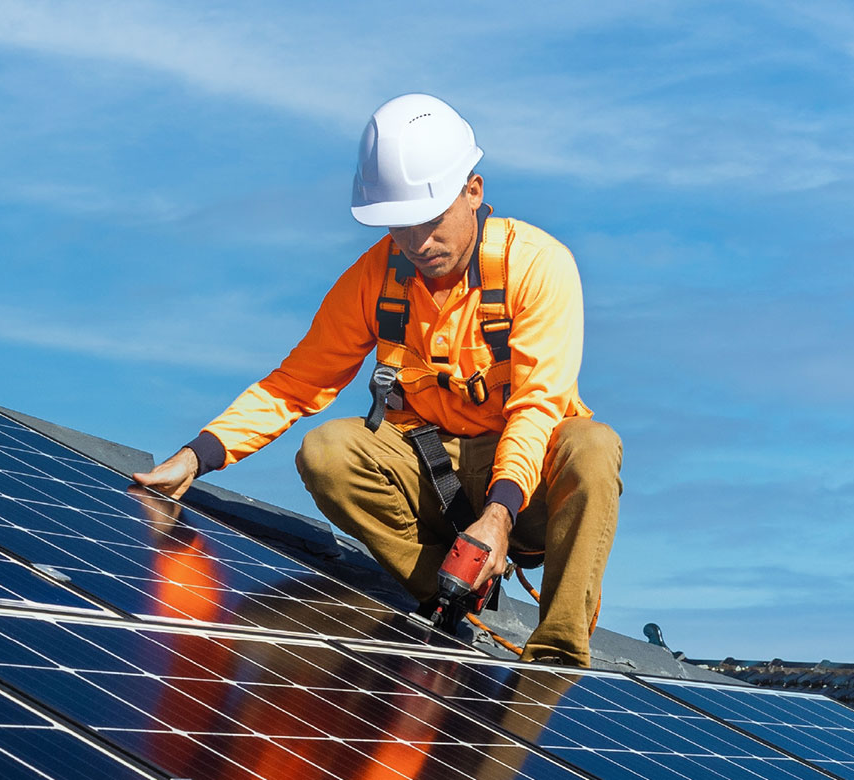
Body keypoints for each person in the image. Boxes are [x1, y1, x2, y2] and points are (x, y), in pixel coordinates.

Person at [132, 93, 622, 667]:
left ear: (474, 191)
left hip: (528, 484)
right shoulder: (375, 278)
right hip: (428, 467)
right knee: (328, 451)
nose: (418, 243)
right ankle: (450, 595)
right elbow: (295, 383)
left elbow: (539, 407)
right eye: (402, 226)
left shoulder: (538, 266)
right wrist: (196, 457)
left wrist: (498, 515)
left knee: (592, 447)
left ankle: (557, 657)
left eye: (432, 221)